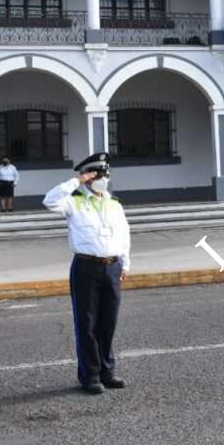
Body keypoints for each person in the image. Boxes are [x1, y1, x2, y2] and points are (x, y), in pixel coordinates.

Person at [43, 153, 131, 395]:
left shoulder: (115, 204)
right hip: (86, 268)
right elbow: (49, 201)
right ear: (88, 178)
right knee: (87, 323)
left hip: (112, 266)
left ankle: (107, 371)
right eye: (97, 174)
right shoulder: (73, 201)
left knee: (108, 322)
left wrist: (125, 264)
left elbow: (124, 235)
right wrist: (77, 182)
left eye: (104, 174)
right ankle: (90, 375)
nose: (102, 178)